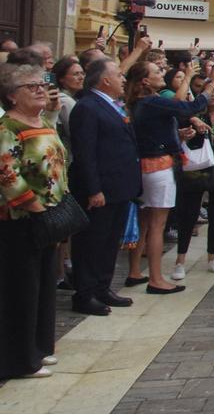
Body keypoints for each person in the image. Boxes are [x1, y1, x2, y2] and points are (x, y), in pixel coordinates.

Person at [126, 60, 214, 294]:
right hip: (159, 167)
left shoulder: (141, 103)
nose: (162, 74)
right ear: (145, 81)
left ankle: (135, 271)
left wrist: (177, 135)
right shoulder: (151, 101)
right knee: (157, 224)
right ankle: (156, 279)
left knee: (146, 221)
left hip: (147, 165)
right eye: (157, 71)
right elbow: (188, 108)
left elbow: (152, 131)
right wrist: (209, 86)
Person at [0, 63, 68, 379]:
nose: (41, 89)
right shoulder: (8, 129)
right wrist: (36, 207)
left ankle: (38, 348)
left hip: (47, 215)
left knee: (42, 286)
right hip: (21, 218)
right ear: (12, 96)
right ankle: (20, 358)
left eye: (42, 84)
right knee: (21, 289)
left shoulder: (40, 121)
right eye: (32, 86)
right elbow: (6, 174)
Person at [67, 58, 141, 316]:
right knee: (91, 242)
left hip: (119, 187)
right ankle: (85, 293)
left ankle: (102, 286)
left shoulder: (113, 105)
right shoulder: (88, 107)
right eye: (119, 75)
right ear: (105, 80)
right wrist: (93, 189)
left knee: (110, 241)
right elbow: (85, 153)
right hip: (100, 189)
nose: (123, 79)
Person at [172, 86, 214, 279]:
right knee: (188, 213)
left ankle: (212, 257)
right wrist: (193, 119)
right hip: (196, 169)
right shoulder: (194, 116)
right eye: (210, 91)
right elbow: (178, 115)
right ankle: (180, 260)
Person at [50, 56, 84, 149]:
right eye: (76, 74)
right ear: (62, 78)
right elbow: (78, 133)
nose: (81, 77)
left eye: (82, 73)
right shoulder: (64, 100)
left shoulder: (73, 98)